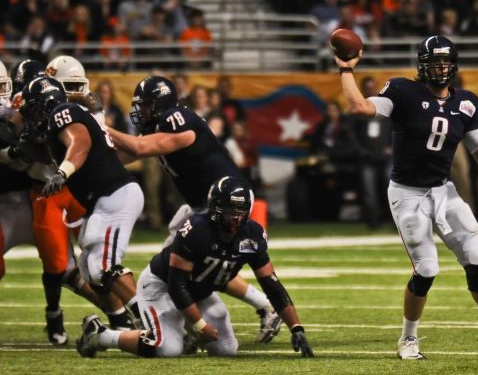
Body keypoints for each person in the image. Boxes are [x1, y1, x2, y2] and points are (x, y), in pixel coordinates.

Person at [336, 35, 478, 359]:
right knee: (427, 268)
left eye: (445, 62)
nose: (441, 68)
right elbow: (359, 107)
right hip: (407, 192)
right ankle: (407, 339)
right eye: (434, 63)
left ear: (454, 65)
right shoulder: (403, 92)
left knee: (477, 256)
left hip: (443, 190)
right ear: (422, 66)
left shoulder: (468, 103)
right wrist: (346, 70)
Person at [106, 76, 281, 343]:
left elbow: (138, 147)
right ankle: (264, 307)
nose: (140, 112)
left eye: (145, 106)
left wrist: (97, 126)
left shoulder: (177, 118)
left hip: (226, 203)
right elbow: (122, 157)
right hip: (204, 205)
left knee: (182, 266)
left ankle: (180, 327)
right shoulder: (160, 127)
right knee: (207, 264)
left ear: (160, 104)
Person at [76, 176, 314, 358]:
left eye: (240, 212)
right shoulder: (197, 229)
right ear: (215, 208)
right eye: (229, 211)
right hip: (161, 286)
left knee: (227, 350)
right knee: (167, 349)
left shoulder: (251, 235)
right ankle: (101, 336)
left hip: (199, 291)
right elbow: (177, 285)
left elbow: (272, 285)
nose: (235, 218)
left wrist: (296, 327)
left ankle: (182, 333)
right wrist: (199, 325)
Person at [18, 77, 143, 329]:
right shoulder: (59, 122)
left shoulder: (63, 112)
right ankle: (125, 322)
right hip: (103, 200)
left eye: (31, 109)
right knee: (88, 266)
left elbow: (80, 143)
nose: (29, 117)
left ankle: (152, 317)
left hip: (115, 194)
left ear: (45, 105)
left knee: (103, 265)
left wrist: (63, 172)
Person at [352, 77, 392, 229]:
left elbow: (394, 128)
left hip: (386, 156)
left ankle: (396, 222)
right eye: (368, 88)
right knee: (369, 192)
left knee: (392, 190)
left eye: (373, 87)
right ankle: (373, 222)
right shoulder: (359, 108)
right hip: (367, 157)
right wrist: (361, 150)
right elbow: (352, 132)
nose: (371, 90)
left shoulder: (386, 107)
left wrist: (391, 146)